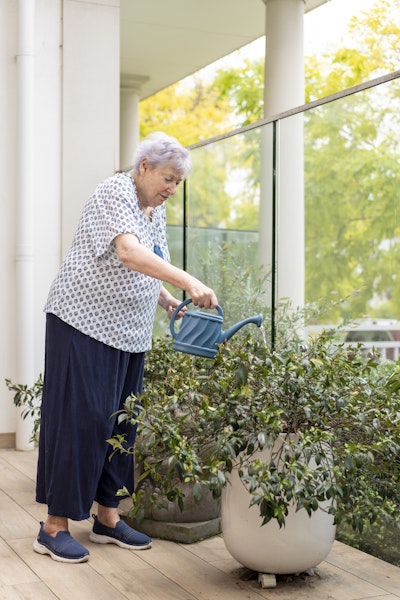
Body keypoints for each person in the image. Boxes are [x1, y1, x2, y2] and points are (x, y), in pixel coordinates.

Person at [34, 132, 218, 563]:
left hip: (129, 333)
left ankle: (108, 518)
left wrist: (170, 299)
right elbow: (131, 253)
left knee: (122, 423)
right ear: (144, 167)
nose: (172, 188)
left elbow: (150, 267)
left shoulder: (154, 209)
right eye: (168, 178)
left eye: (178, 182)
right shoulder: (114, 190)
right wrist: (188, 281)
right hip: (83, 321)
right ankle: (54, 526)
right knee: (82, 421)